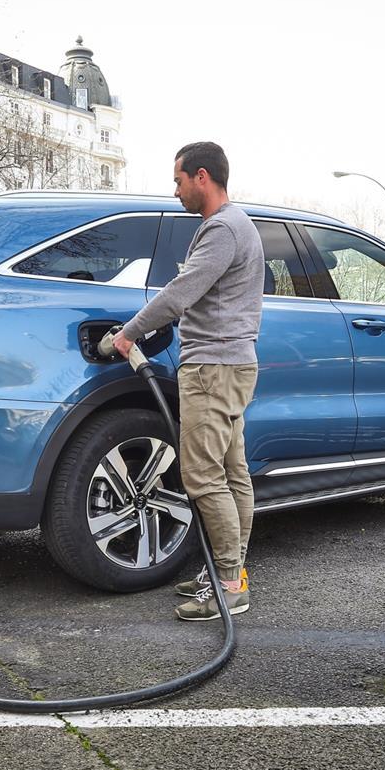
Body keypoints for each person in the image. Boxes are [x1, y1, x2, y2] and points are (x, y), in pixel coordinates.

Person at [112, 142, 264, 621]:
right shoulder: (237, 225)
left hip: (214, 369)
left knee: (202, 476)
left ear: (202, 177)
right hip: (232, 366)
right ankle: (231, 572)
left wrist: (128, 333)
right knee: (233, 473)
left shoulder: (221, 228)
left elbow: (181, 293)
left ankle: (227, 585)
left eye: (178, 181)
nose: (175, 190)